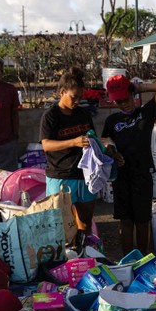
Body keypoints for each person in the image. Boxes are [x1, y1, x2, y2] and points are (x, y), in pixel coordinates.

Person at [101, 74, 156, 255]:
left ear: (132, 95)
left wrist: (138, 87)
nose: (123, 103)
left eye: (126, 98)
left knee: (142, 220)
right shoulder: (112, 121)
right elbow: (105, 142)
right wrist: (113, 153)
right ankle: (127, 260)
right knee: (125, 220)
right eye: (118, 101)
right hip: (121, 176)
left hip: (142, 174)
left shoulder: (145, 113)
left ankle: (143, 259)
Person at [40, 68, 104, 239]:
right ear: (62, 92)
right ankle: (63, 262)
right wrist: (73, 142)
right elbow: (46, 145)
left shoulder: (83, 114)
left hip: (84, 175)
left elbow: (93, 138)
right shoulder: (50, 116)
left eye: (80, 97)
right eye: (73, 97)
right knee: (58, 226)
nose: (77, 101)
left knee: (85, 224)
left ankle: (86, 257)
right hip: (60, 175)